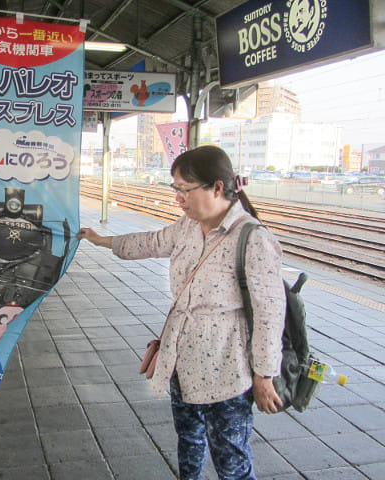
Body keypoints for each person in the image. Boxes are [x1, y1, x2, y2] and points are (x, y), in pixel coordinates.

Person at [77, 146, 285, 480]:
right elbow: (150, 242)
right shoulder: (188, 227)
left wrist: (264, 375)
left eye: (184, 190)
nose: (179, 199)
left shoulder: (252, 239)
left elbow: (269, 315)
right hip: (183, 362)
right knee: (189, 444)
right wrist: (101, 241)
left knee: (231, 460)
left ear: (217, 188)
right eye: (175, 190)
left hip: (226, 369)